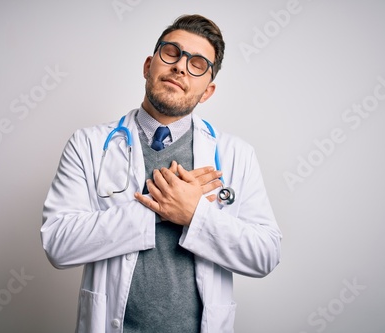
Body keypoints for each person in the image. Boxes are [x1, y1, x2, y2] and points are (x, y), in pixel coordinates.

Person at [41, 14, 282, 333]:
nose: (181, 66)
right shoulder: (88, 144)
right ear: (147, 66)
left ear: (207, 91)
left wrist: (195, 214)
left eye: (197, 63)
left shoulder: (237, 154)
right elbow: (58, 244)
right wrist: (158, 207)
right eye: (172, 52)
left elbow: (264, 255)